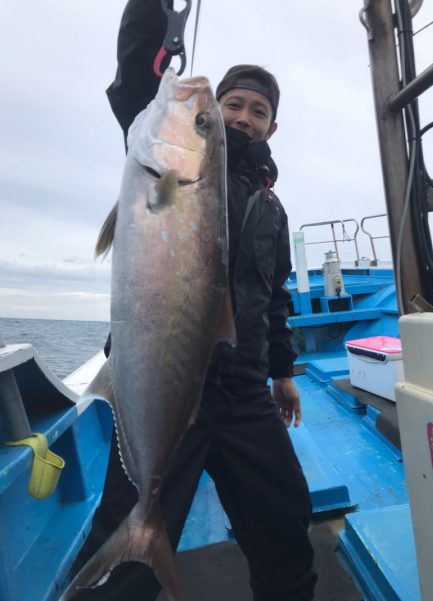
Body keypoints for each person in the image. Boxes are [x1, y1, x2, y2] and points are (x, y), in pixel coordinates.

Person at [71, 1, 317, 599]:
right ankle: (133, 544)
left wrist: (281, 372)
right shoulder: (166, 165)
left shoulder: (273, 211)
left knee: (287, 528)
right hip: (166, 389)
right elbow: (136, 77)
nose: (241, 116)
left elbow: (273, 296)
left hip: (242, 394)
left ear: (272, 128)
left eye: (258, 111)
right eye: (231, 105)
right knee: (123, 581)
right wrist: (155, 13)